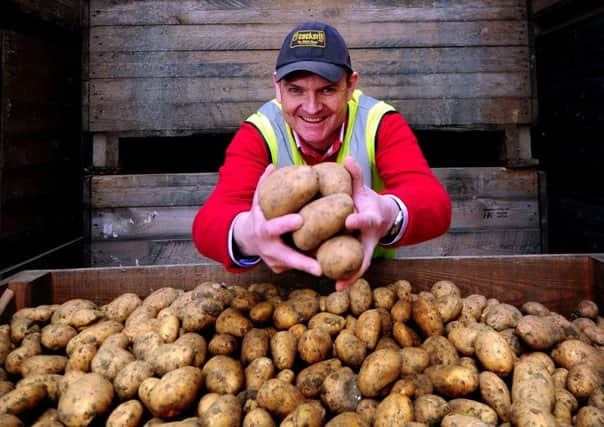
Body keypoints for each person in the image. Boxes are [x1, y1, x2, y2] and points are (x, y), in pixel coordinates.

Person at [192, 21, 451, 291]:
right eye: (296, 90)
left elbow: (435, 203)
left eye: (327, 89)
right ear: (277, 88)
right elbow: (207, 224)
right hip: (283, 293)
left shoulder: (379, 122)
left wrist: (387, 214)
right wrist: (248, 233)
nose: (312, 108)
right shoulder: (260, 130)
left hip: (370, 286)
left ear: (350, 86)